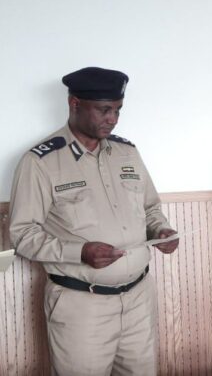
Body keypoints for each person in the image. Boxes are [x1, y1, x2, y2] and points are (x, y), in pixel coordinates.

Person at [9, 67, 179, 376]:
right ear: (74, 103)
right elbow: (22, 235)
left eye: (117, 110)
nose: (113, 119)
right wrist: (80, 252)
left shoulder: (127, 152)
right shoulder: (40, 162)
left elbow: (150, 207)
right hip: (81, 307)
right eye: (104, 109)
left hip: (139, 300)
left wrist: (161, 229)